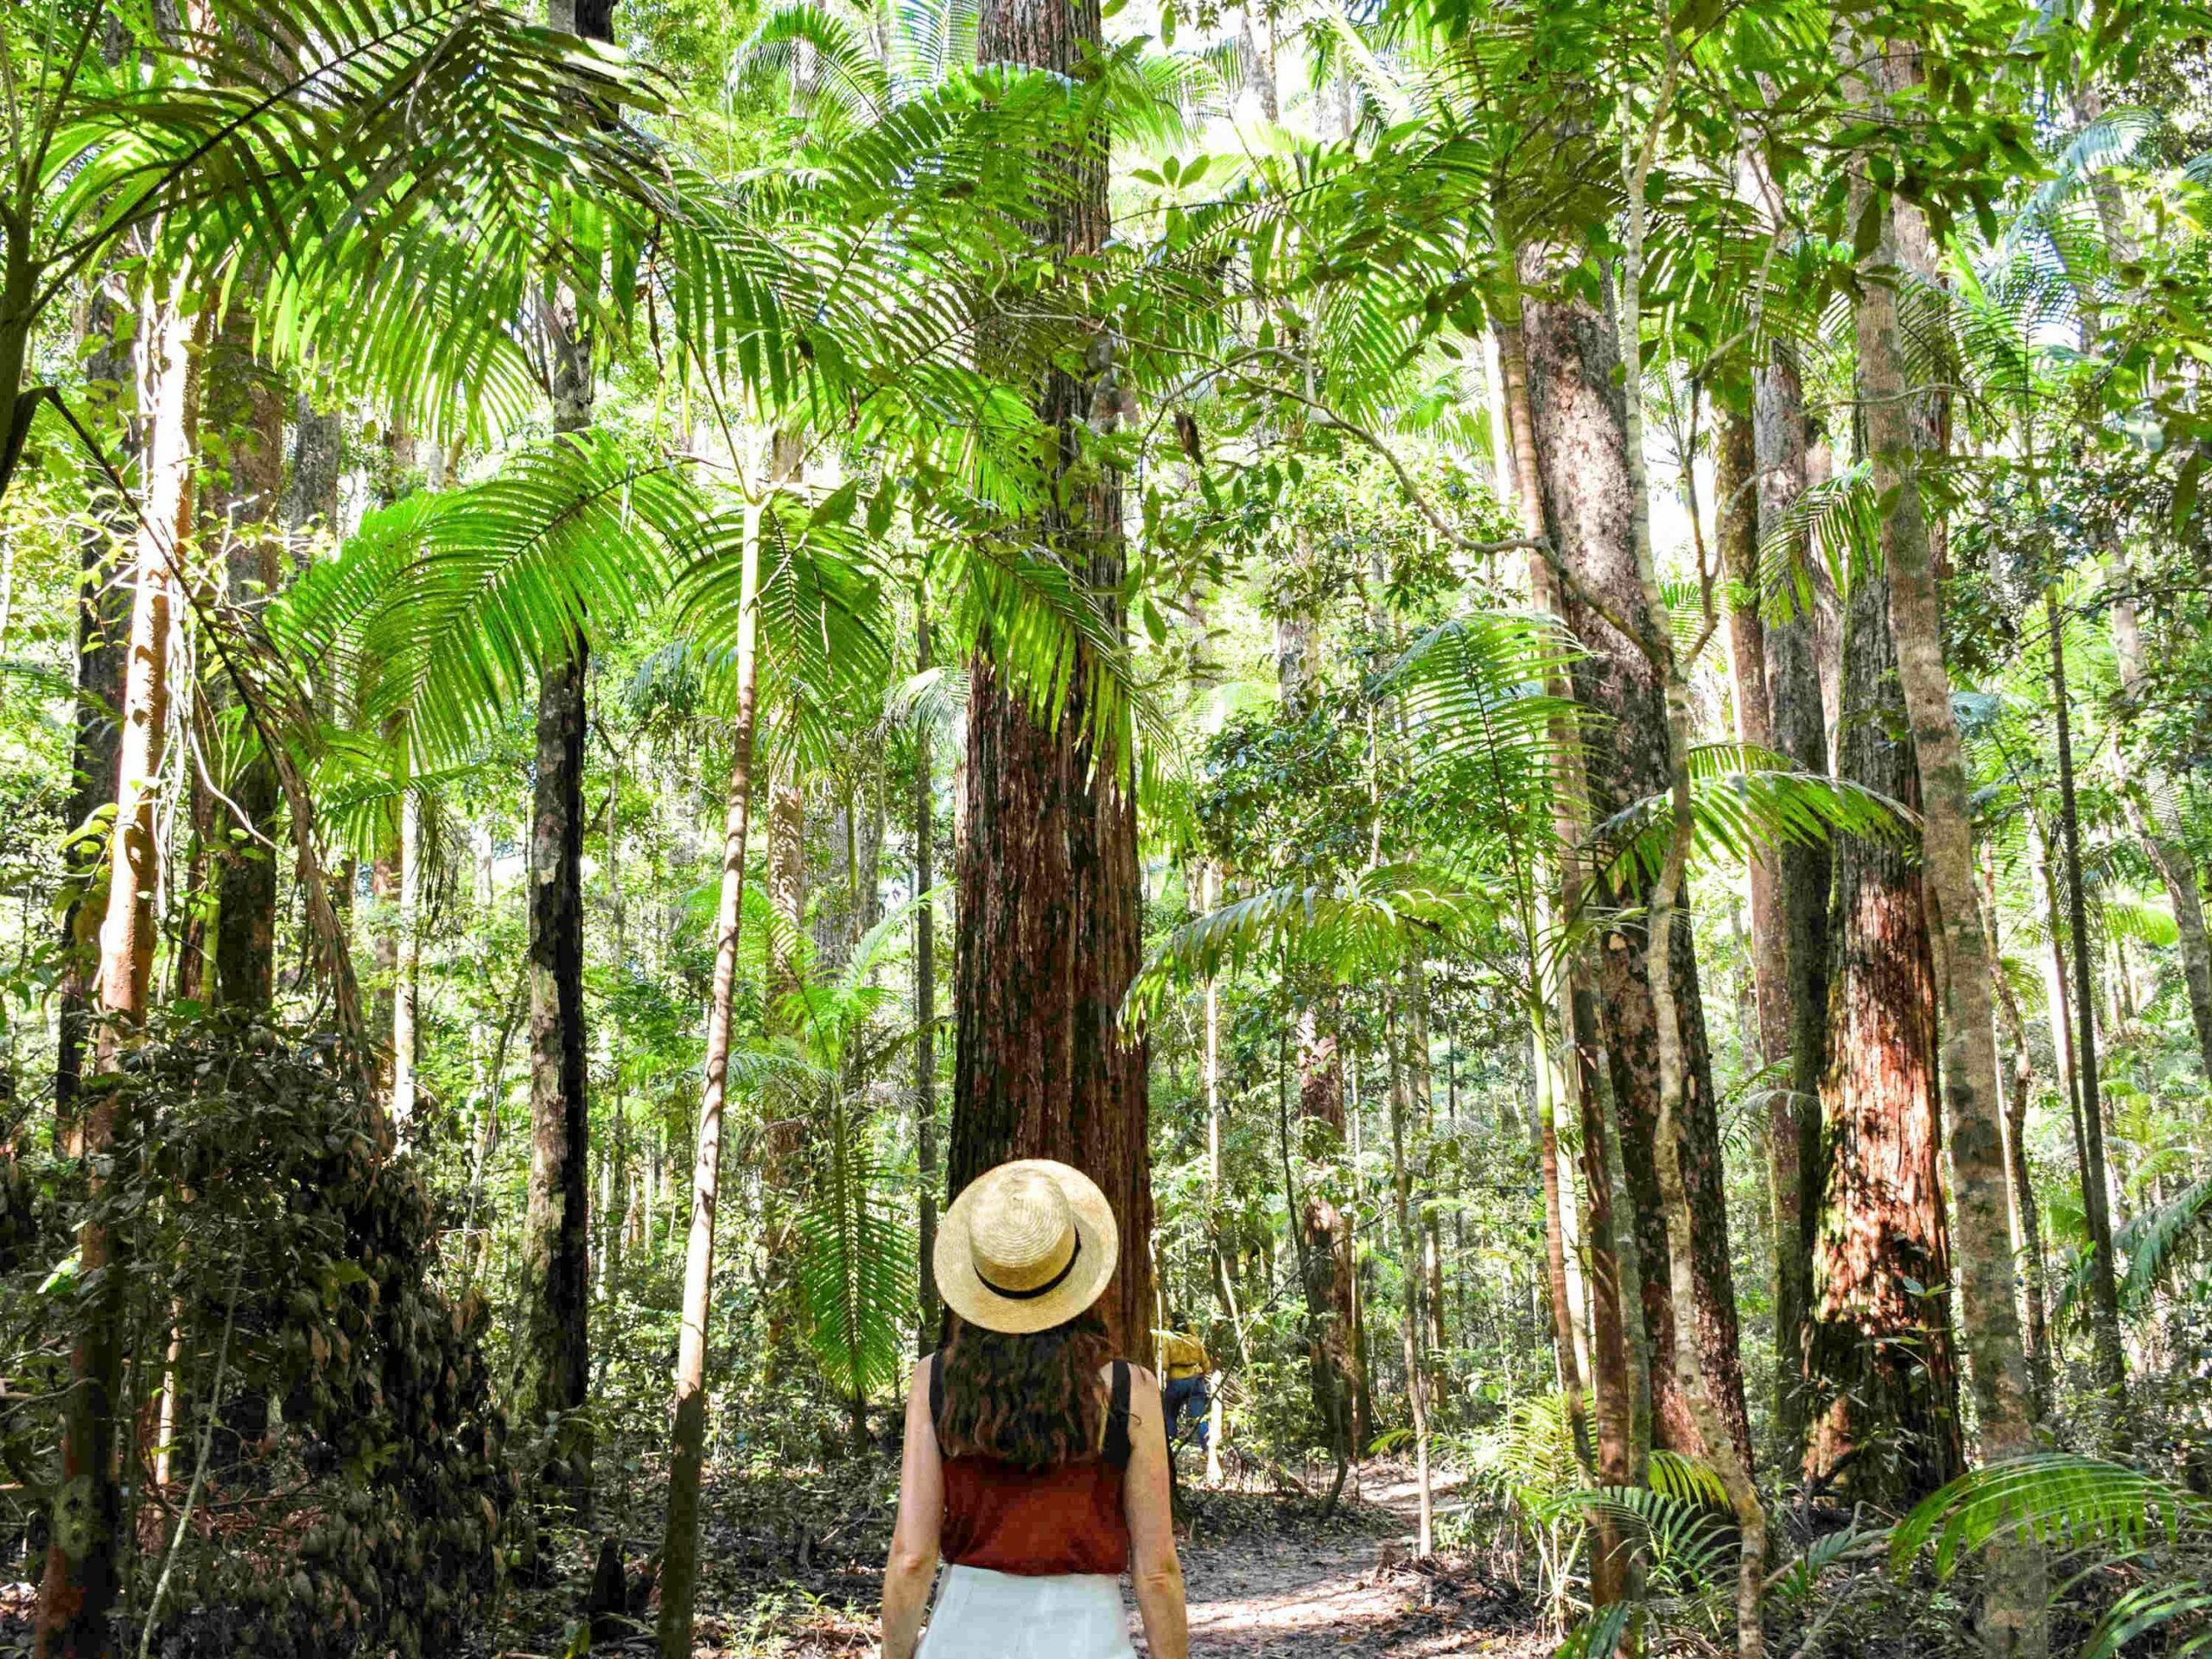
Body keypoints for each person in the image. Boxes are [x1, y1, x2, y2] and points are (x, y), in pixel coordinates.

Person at [880, 1159, 1189, 1659]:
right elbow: (1156, 1570)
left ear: (979, 1281)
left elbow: (912, 1557)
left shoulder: (936, 1380)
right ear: (1080, 1275)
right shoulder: (1129, 1390)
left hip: (963, 1635)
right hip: (1090, 1640)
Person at [1154, 1324, 1211, 1452]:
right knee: (1199, 1417)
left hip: (1176, 1381)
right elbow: (1206, 1363)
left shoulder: (1168, 1339)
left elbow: (1164, 1364)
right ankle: (1207, 1449)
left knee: (1170, 1415)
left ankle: (1171, 1448)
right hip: (1195, 1380)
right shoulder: (1195, 1340)